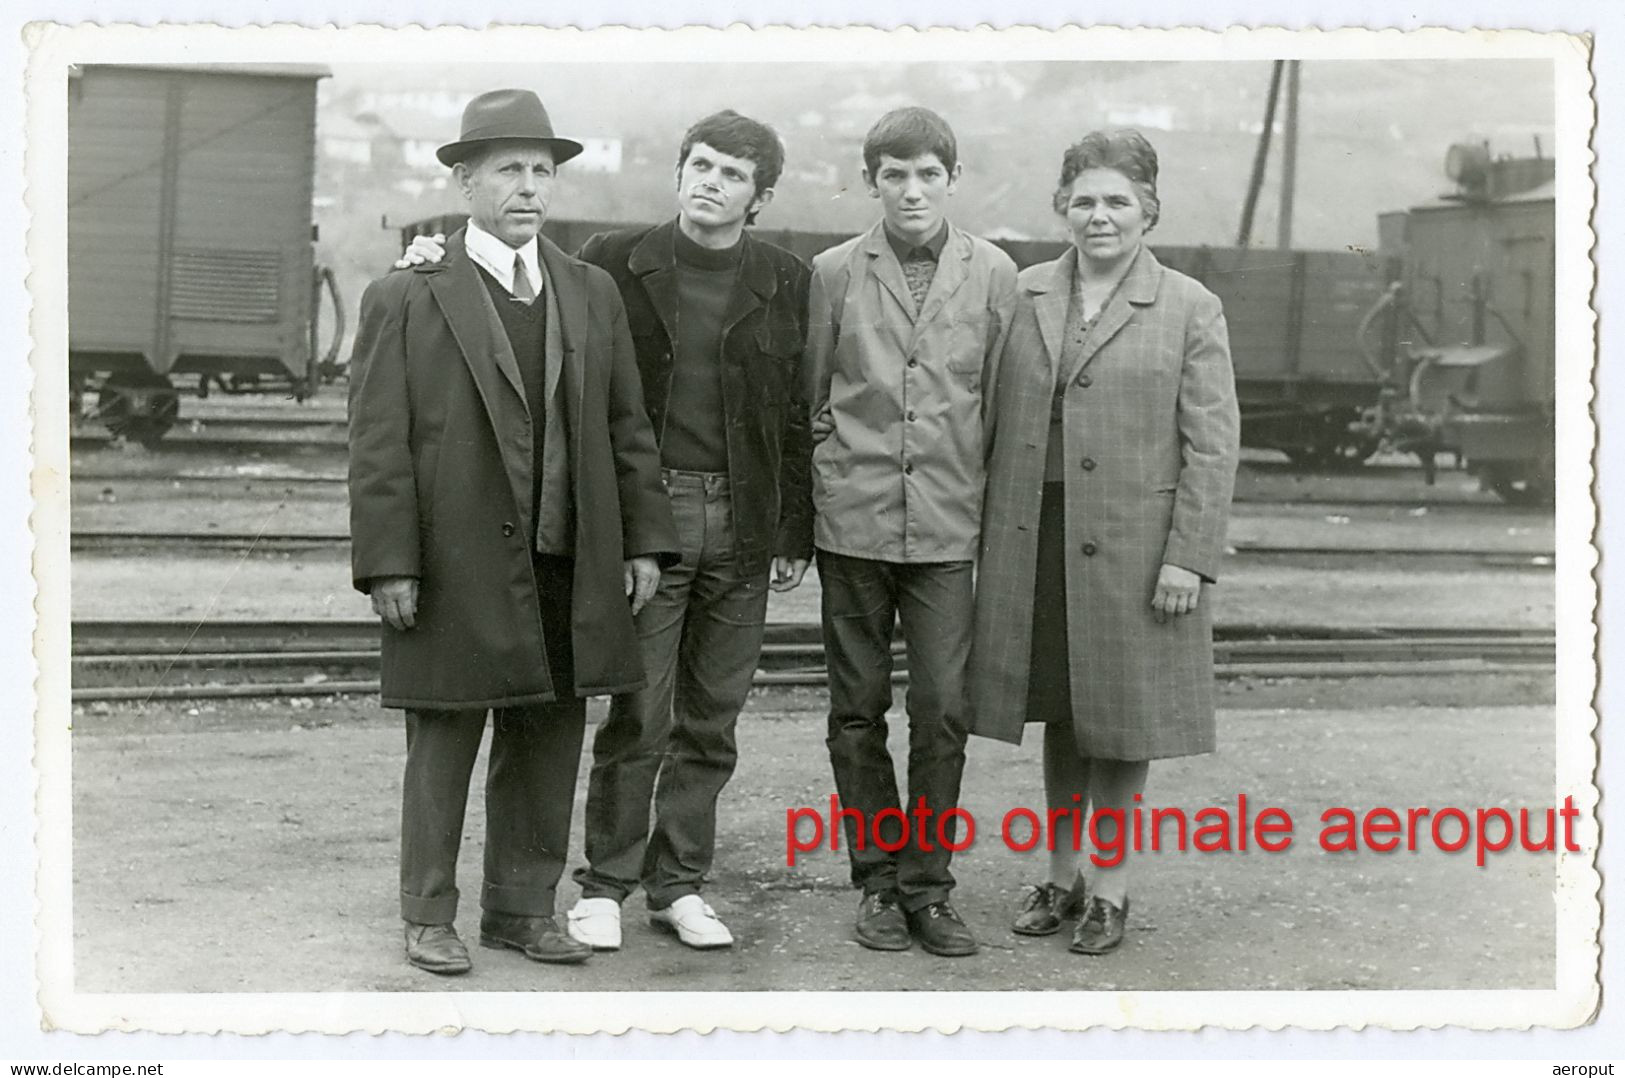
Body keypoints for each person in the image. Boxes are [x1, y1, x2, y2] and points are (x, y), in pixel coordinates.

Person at [400, 110, 813, 954]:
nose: (711, 182)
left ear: (758, 196)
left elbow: (757, 414)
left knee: (649, 726)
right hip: (552, 537)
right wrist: (389, 564)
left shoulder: (754, 279)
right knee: (589, 720)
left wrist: (757, 531)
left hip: (667, 533)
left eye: (732, 174)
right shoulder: (591, 266)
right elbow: (390, 437)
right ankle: (528, 900)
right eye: (700, 164)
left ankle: (610, 896)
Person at [348, 88, 678, 976]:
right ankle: (427, 915)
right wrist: (389, 563)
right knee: (444, 740)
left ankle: (520, 910)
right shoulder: (407, 294)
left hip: (567, 559)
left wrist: (643, 541)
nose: (529, 188)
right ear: (463, 183)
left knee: (548, 740)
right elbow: (378, 445)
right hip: (452, 561)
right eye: (508, 171)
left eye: (541, 171)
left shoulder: (590, 290)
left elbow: (625, 427)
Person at [968, 129, 1240, 956]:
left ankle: (1110, 890)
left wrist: (1187, 556)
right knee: (1060, 713)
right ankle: (1059, 877)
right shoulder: (1020, 295)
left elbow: (1212, 445)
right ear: (1060, 206)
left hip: (1134, 551)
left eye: (1117, 200)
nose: (1099, 215)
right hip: (1035, 541)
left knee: (1122, 724)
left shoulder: (1190, 306)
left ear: (1148, 210)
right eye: (1083, 200)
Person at [806, 106, 1018, 957]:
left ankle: (927, 887)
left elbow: (998, 407)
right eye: (893, 174)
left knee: (943, 710)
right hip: (850, 526)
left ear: (952, 180)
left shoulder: (995, 273)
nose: (911, 190)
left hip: (945, 531)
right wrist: (822, 485)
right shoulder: (830, 273)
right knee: (855, 713)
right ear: (871, 182)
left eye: (928, 173)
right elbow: (810, 397)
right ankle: (876, 884)